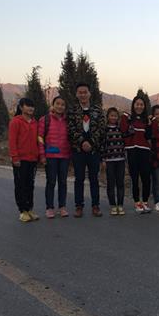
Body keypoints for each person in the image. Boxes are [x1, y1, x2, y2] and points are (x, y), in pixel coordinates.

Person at [67, 82, 106, 218]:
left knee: (94, 179)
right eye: (80, 92)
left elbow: (102, 128)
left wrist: (91, 142)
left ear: (89, 93)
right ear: (76, 94)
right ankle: (79, 206)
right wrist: (82, 142)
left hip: (94, 150)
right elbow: (70, 128)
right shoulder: (72, 110)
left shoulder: (97, 110)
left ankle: (95, 206)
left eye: (85, 92)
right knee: (79, 179)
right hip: (78, 150)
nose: (83, 95)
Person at [38, 96, 71, 219]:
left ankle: (62, 207)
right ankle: (49, 207)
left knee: (63, 182)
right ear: (53, 105)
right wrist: (42, 155)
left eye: (63, 104)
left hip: (64, 156)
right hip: (50, 156)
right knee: (51, 182)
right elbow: (40, 138)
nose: (60, 106)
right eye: (58, 103)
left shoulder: (68, 121)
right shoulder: (45, 119)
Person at [8, 98, 40, 223]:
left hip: (33, 159)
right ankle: (22, 211)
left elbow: (38, 140)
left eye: (32, 106)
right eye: (28, 106)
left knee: (30, 185)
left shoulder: (35, 122)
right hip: (20, 160)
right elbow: (12, 141)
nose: (31, 108)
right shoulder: (16, 122)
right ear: (21, 107)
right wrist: (15, 157)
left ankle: (29, 209)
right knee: (20, 185)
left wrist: (39, 155)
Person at [120, 96, 152, 213]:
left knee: (146, 178)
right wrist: (124, 117)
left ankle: (145, 202)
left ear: (144, 106)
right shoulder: (128, 118)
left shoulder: (147, 120)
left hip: (144, 151)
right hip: (132, 150)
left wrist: (149, 124)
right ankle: (137, 202)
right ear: (133, 105)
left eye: (141, 104)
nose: (139, 106)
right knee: (134, 178)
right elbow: (123, 131)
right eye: (137, 104)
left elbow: (148, 136)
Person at [102, 107, 132, 216]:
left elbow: (130, 132)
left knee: (120, 183)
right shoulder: (105, 130)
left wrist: (128, 119)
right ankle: (113, 205)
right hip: (109, 160)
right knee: (111, 183)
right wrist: (103, 160)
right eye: (111, 115)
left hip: (121, 160)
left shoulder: (120, 129)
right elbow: (102, 145)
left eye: (115, 116)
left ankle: (120, 205)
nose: (113, 117)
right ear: (108, 117)